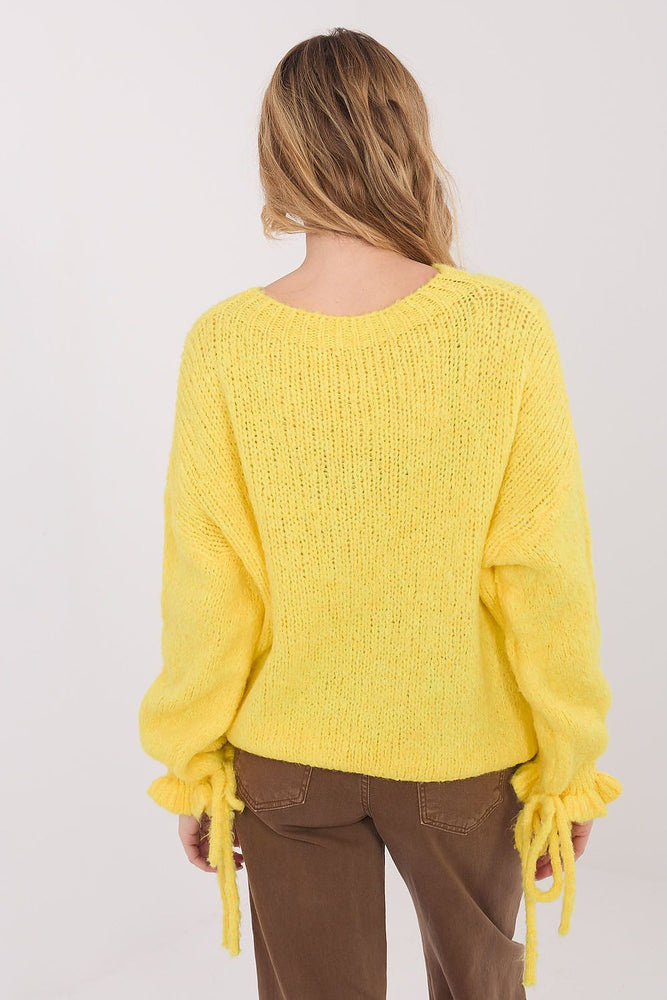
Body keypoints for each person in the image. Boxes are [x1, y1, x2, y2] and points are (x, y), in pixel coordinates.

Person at [138, 27, 622, 999]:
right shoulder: (502, 327)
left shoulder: (225, 344)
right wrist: (566, 766)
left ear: (278, 154)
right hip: (463, 756)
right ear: (408, 139)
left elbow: (210, 584)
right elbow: (543, 569)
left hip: (287, 758)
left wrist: (196, 766)